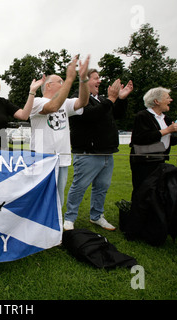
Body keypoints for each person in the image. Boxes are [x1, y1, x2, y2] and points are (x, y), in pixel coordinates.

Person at [64, 70, 134, 231]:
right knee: (79, 186)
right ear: (86, 81)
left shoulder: (102, 100)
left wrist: (121, 99)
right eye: (96, 78)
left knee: (102, 187)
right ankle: (69, 218)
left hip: (107, 152)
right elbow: (92, 115)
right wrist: (112, 99)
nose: (100, 81)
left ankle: (97, 216)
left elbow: (117, 114)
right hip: (87, 153)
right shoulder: (77, 99)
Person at [29, 55, 90, 209]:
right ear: (48, 85)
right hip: (41, 160)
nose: (64, 85)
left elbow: (83, 101)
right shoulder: (36, 102)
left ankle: (55, 228)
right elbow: (53, 107)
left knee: (58, 198)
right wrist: (70, 79)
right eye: (60, 82)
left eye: (64, 82)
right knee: (40, 197)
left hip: (61, 160)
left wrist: (83, 80)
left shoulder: (66, 103)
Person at [129, 87, 177, 194]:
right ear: (156, 101)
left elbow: (171, 142)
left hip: (160, 159)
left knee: (158, 192)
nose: (171, 100)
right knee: (143, 191)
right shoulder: (143, 116)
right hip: (144, 161)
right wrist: (167, 130)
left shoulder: (166, 119)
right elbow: (140, 139)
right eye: (167, 97)